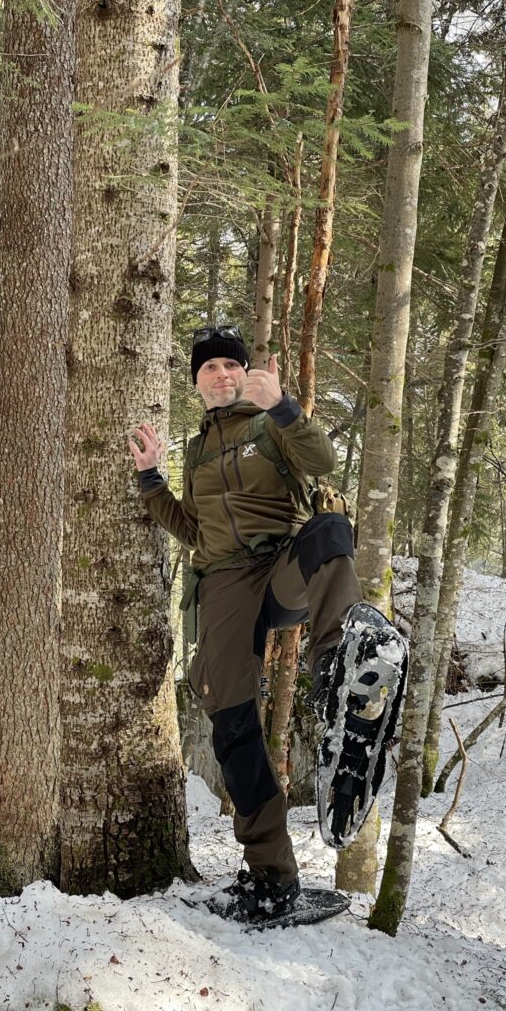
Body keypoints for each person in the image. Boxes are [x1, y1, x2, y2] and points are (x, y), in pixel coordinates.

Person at [128, 324, 364, 920]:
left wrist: (283, 407)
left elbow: (322, 459)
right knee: (231, 721)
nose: (223, 375)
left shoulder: (268, 424)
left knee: (331, 530)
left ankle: (338, 661)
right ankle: (271, 878)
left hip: (282, 565)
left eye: (232, 366)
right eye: (211, 368)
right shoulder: (198, 449)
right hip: (226, 582)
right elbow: (193, 529)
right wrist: (152, 479)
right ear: (197, 382)